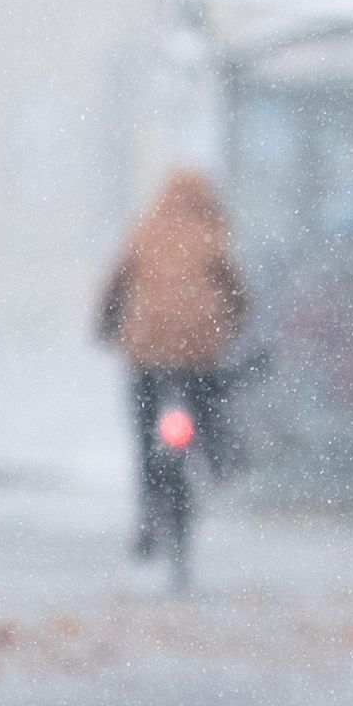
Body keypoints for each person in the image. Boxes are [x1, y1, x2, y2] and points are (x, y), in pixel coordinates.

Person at [95, 170, 250, 555]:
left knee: (146, 435)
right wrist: (236, 319)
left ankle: (148, 517)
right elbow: (234, 290)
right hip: (198, 347)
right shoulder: (211, 233)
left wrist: (105, 325)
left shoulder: (145, 230)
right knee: (206, 403)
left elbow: (116, 284)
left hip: (146, 349)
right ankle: (217, 458)